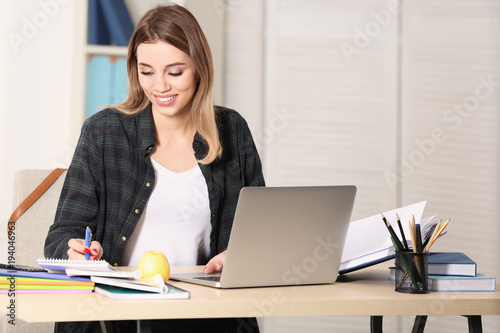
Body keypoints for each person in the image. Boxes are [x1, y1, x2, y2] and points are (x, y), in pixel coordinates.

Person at [44, 4, 264, 332]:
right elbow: (59, 237)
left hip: (204, 315)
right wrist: (73, 250)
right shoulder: (104, 132)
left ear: (199, 68)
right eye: (147, 71)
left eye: (174, 72)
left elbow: (261, 237)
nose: (159, 86)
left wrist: (240, 256)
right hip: (116, 316)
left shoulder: (232, 131)